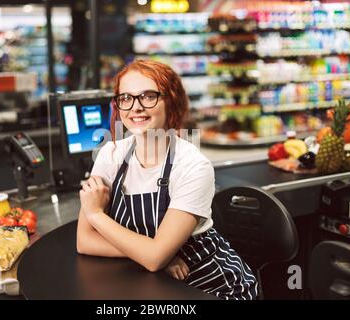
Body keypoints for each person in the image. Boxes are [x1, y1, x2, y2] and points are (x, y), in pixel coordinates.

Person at [76, 59, 258, 300]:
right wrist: (153, 254)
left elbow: (152, 258)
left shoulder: (193, 166)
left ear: (171, 101)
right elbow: (85, 241)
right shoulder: (111, 155)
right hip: (152, 284)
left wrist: (96, 214)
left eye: (148, 96)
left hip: (208, 287)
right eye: (126, 98)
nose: (136, 107)